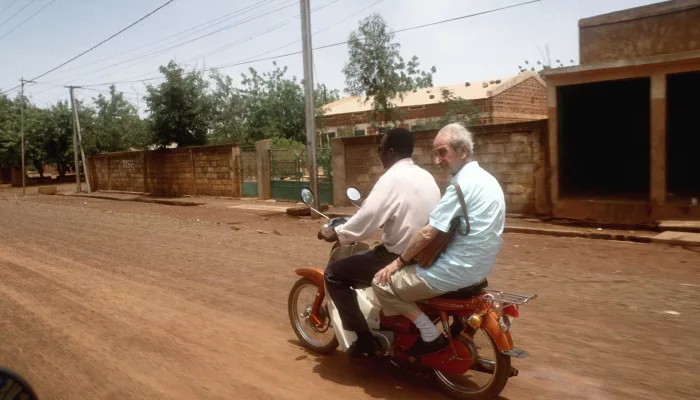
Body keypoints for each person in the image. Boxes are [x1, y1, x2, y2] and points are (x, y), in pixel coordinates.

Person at [372, 122, 506, 357]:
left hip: (453, 272)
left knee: (381, 283)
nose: (437, 160)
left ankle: (429, 334)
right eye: (435, 153)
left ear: (463, 151)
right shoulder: (490, 181)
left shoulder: (461, 186)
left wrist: (397, 262)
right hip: (479, 269)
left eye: (443, 152)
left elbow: (427, 233)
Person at [318, 127, 440, 358]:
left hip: (398, 257)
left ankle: (364, 341)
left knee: (334, 274)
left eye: (379, 149)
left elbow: (367, 219)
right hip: (427, 254)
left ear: (390, 152)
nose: (379, 153)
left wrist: (337, 233)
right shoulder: (426, 176)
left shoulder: (391, 179)